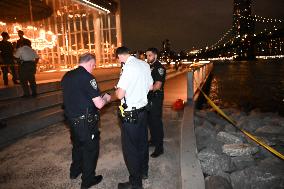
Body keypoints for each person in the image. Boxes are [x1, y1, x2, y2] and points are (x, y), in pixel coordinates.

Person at [61, 53, 111, 189]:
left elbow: (77, 96)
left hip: (71, 120)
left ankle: (74, 171)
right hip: (86, 123)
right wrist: (106, 98)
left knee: (77, 146)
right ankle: (87, 180)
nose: (93, 68)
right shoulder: (88, 77)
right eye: (94, 66)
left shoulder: (67, 76)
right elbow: (99, 104)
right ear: (90, 63)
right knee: (90, 150)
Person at [115, 46, 153, 189]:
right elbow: (150, 87)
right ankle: (144, 172)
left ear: (119, 56)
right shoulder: (144, 64)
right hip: (143, 112)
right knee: (142, 144)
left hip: (131, 114)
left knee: (130, 149)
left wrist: (117, 90)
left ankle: (135, 183)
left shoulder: (128, 67)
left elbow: (119, 95)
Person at [146, 47, 166, 158]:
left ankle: (159, 148)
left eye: (150, 55)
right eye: (147, 55)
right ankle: (153, 140)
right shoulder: (149, 67)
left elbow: (157, 86)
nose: (147, 57)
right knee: (150, 121)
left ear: (155, 56)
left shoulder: (159, 68)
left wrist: (143, 90)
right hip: (148, 99)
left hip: (156, 98)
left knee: (156, 123)